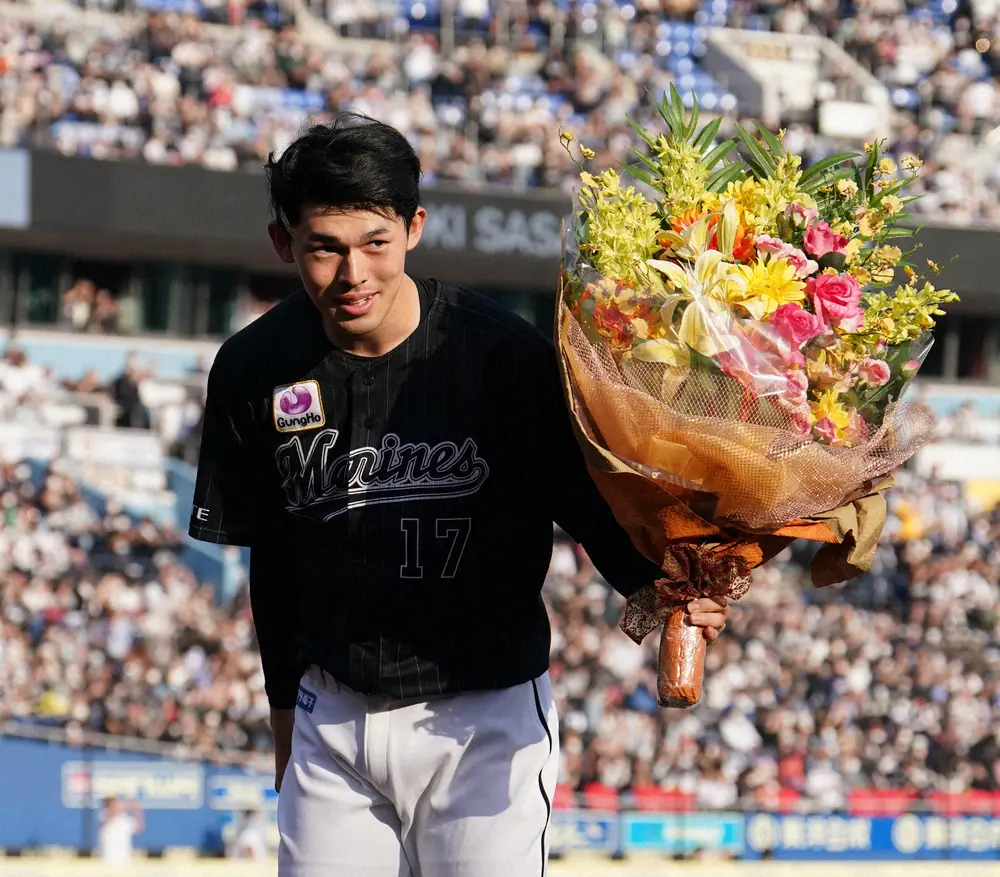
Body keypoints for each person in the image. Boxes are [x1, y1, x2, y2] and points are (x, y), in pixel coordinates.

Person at [187, 112, 730, 877]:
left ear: (415, 226)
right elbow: (273, 565)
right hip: (330, 714)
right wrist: (286, 721)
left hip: (485, 718)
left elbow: (588, 507)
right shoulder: (250, 368)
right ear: (284, 243)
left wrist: (674, 585)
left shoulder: (502, 357)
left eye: (375, 243)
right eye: (325, 249)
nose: (353, 275)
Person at [97, 797, 144, 867]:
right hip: (108, 860)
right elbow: (108, 817)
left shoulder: (125, 819)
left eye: (114, 803)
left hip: (123, 860)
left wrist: (135, 809)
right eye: (110, 803)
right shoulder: (103, 815)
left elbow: (138, 828)